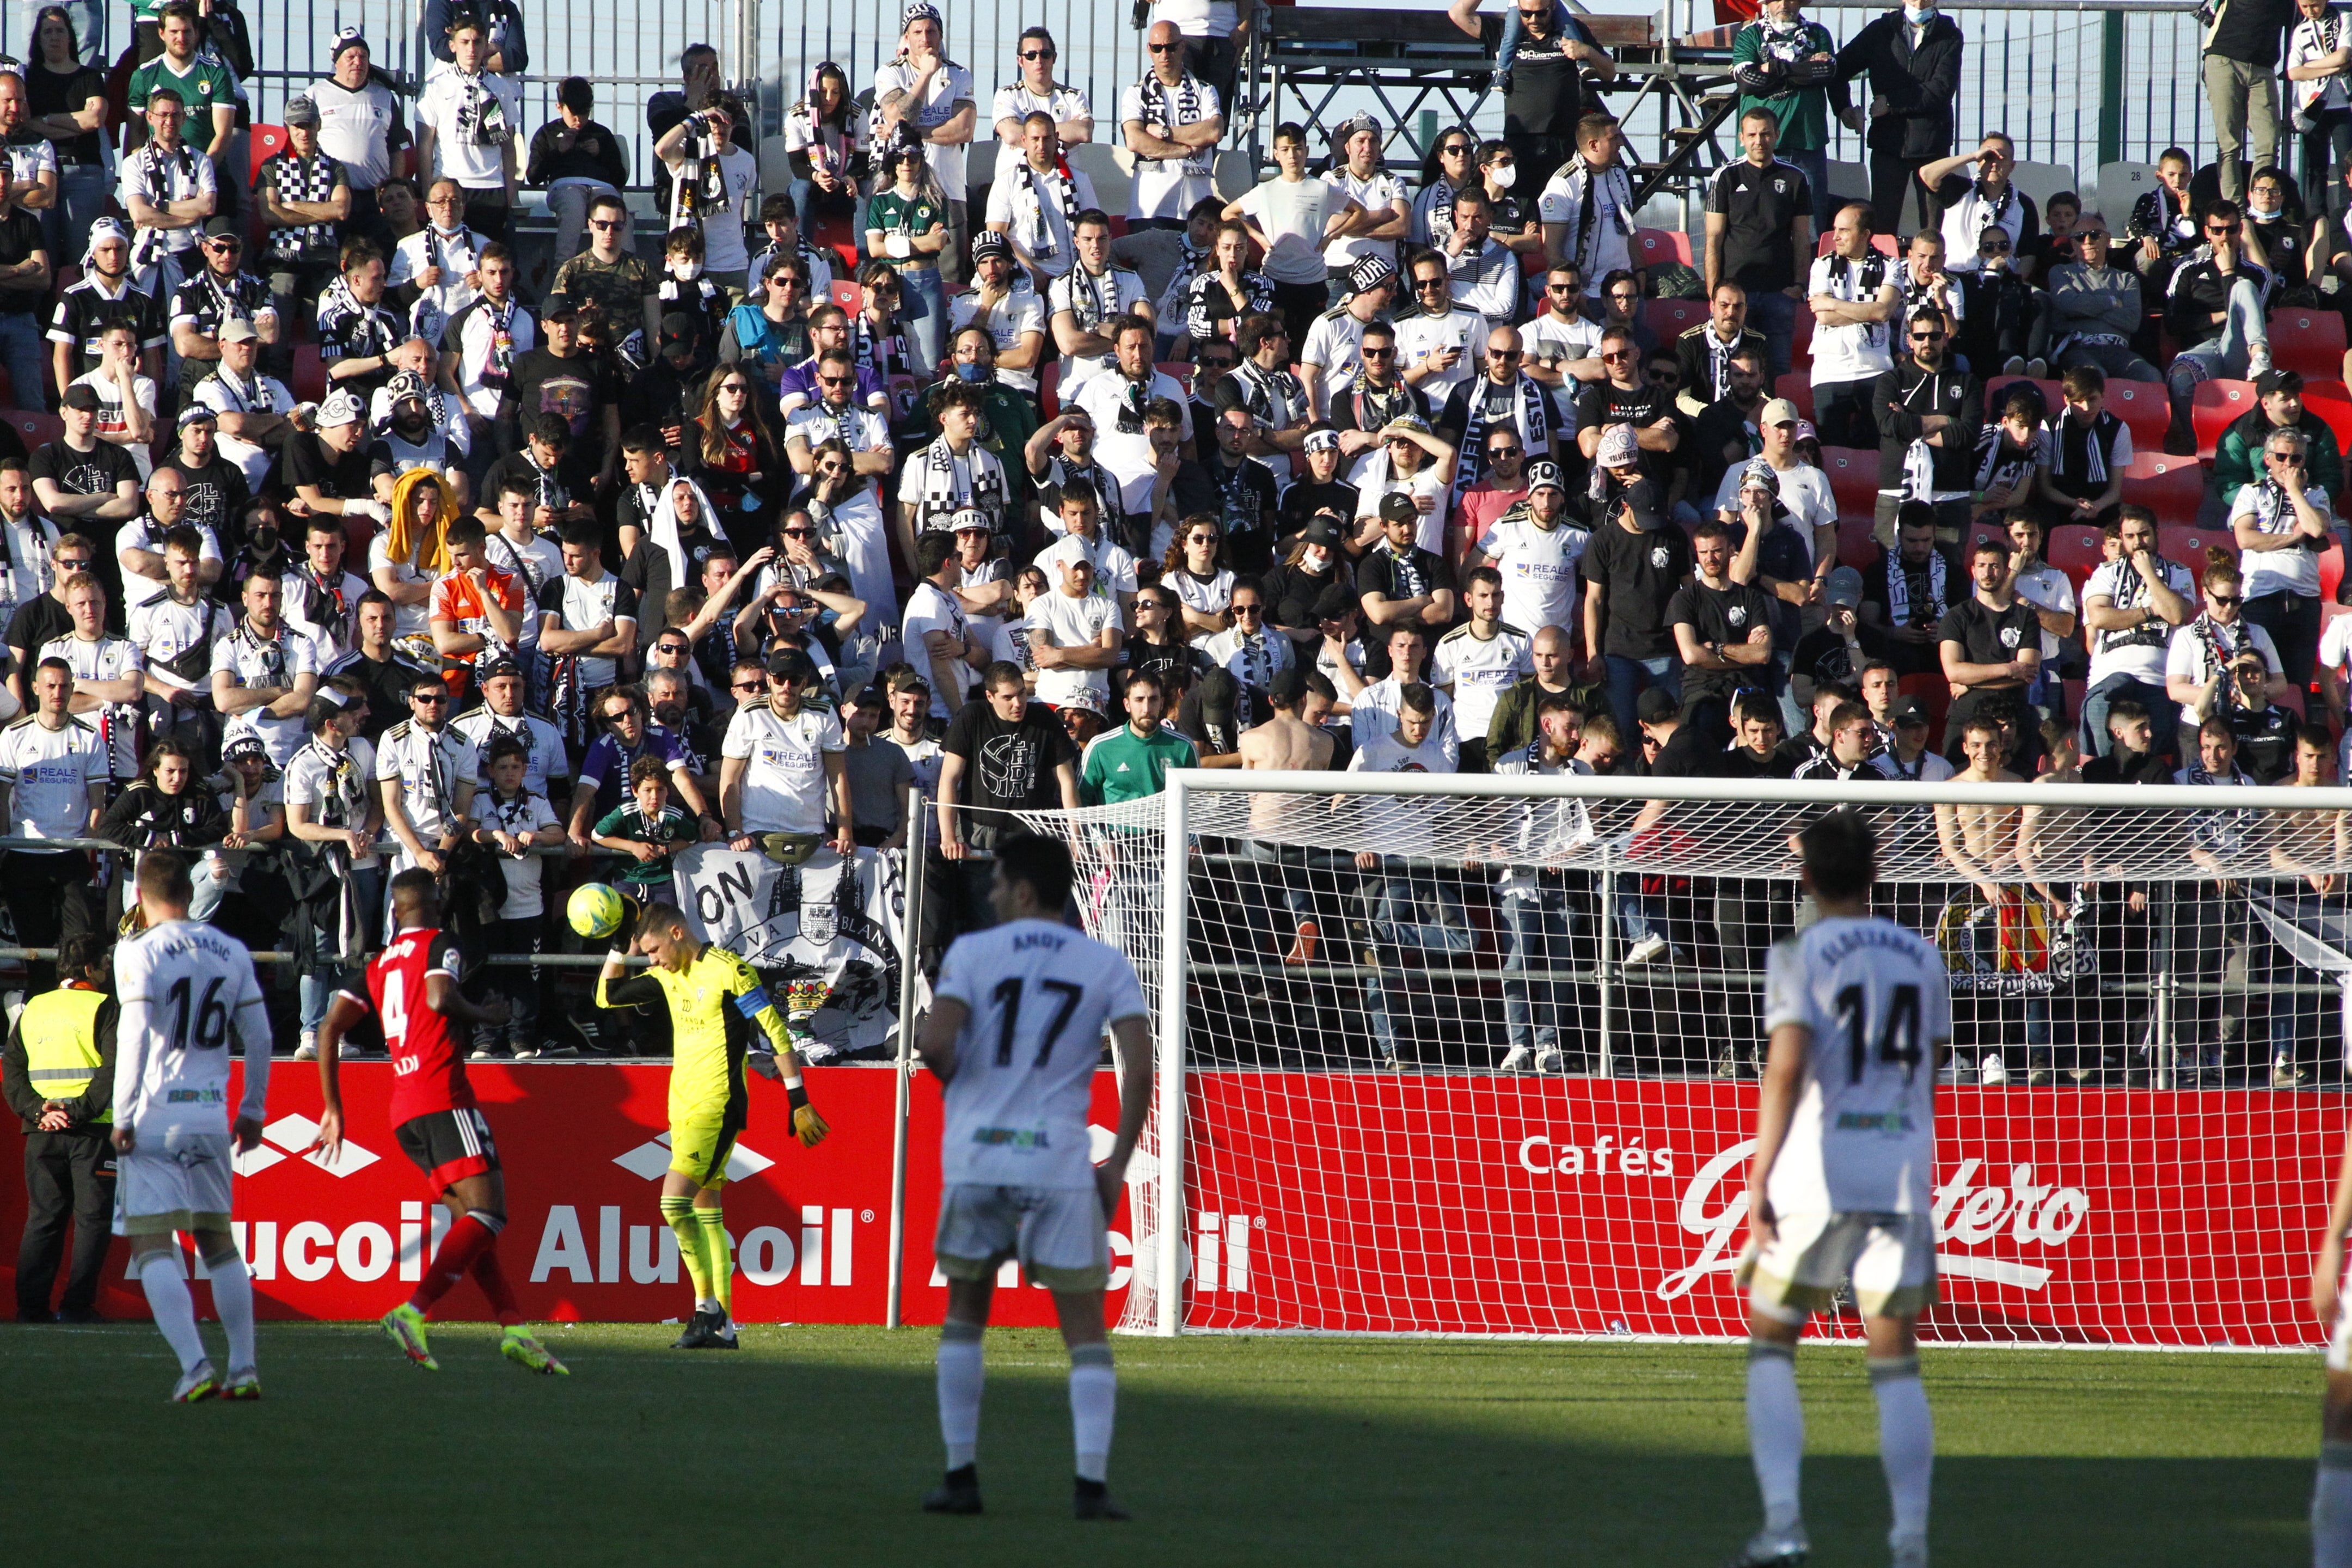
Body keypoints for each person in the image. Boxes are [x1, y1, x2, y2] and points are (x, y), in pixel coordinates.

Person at [912, 830, 1149, 1518]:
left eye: (995, 885)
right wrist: (1118, 1169)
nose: (989, 896)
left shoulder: (974, 952)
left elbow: (934, 1042)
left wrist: (967, 1088)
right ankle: (1091, 1488)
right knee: (1084, 1329)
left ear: (1022, 890)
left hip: (981, 1156)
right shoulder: (1104, 962)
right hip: (1061, 1161)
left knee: (965, 1316)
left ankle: (961, 1479)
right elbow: (1138, 1070)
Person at [1730, 810, 1944, 1568]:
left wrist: (1759, 1175)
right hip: (1903, 1164)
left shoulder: (1801, 952)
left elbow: (1786, 1068)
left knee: (1772, 1343)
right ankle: (1910, 1543)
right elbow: (1933, 1059)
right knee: (1893, 1360)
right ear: (1875, 875)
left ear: (1808, 879)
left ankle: (1784, 1526)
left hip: (1821, 1167)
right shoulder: (1922, 955)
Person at [311, 865, 566, 1371]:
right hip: (444, 1097)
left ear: (393, 910)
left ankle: (515, 1329)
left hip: (404, 1110)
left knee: (472, 1223)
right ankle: (413, 1311)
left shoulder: (380, 964)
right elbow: (438, 996)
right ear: (434, 904)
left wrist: (333, 1107)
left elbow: (327, 1029)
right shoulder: (440, 943)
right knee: (490, 1213)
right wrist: (488, 1016)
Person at [596, 898, 828, 1347]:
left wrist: (797, 1098)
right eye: (646, 954)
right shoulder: (667, 976)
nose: (653, 960)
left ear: (678, 934)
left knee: (672, 1204)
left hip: (718, 1105)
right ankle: (723, 1329)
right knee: (706, 1212)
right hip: (681, 1105)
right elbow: (607, 997)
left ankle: (707, 1309)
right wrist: (621, 945)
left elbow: (774, 1029)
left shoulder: (730, 971)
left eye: (655, 950)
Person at [107, 852, 271, 1401]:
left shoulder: (138, 952)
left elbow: (133, 1036)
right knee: (218, 1243)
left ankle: (195, 1365)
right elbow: (262, 1036)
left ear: (140, 895)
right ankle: (244, 1368)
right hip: (209, 1115)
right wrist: (253, 1109)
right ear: (187, 889)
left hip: (155, 1116)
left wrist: (123, 1115)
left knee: (152, 1246)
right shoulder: (230, 949)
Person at [3, 932, 114, 1323]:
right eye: (105, 964)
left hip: (41, 1132)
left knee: (44, 1218)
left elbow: (12, 1070)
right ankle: (77, 1305)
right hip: (92, 1130)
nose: (108, 970)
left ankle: (30, 1308)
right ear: (90, 969)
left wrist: (38, 1112)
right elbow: (112, 1071)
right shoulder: (105, 1006)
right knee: (92, 1220)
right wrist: (78, 1112)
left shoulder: (34, 1007)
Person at [1447, 0, 1615, 187]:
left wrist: (1587, 52)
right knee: (1523, 208)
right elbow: (1458, 14)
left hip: (1563, 141)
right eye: (1526, 13)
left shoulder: (1572, 31)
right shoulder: (1506, 33)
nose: (1533, 19)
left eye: (1541, 13)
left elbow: (1609, 73)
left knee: (1565, 210)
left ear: (1553, 7)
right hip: (1520, 142)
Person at [1832, 2, 1963, 235]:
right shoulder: (1880, 31)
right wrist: (1844, 108)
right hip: (1888, 145)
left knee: (1933, 230)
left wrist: (1892, 103)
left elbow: (1941, 89)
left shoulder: (1949, 34)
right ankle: (1882, 272)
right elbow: (1838, 68)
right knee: (1882, 229)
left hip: (1932, 145)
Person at [874, 3, 979, 286]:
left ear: (940, 35)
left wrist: (910, 134)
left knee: (952, 273)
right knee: (899, 269)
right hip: (903, 187)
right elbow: (898, 116)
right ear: (906, 38)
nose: (925, 38)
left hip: (949, 185)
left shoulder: (959, 75)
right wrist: (925, 75)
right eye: (917, 32)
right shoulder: (890, 73)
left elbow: (964, 129)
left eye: (931, 31)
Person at [1705, 112, 1814, 377]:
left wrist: (1799, 285)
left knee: (1776, 371)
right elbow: (1713, 239)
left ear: (1776, 136)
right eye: (1752, 135)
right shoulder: (1726, 176)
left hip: (1779, 293)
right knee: (1732, 370)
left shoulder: (1795, 178)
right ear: (1741, 138)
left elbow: (1802, 237)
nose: (1759, 141)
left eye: (1765, 134)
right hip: (1735, 296)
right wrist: (1714, 292)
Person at [1583, 483, 1691, 737]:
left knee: (1671, 730)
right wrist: (1593, 652)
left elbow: (1689, 592)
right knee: (1621, 730)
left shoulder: (1673, 533)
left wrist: (1689, 645)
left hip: (1666, 647)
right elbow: (1594, 600)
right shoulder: (1603, 540)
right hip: (1619, 651)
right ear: (1626, 507)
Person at [2165, 201, 2274, 437]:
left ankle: (2261, 358)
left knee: (2243, 288)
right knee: (2181, 380)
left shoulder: (2258, 274)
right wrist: (2225, 313)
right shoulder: (2189, 271)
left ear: (2241, 230)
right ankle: (2201, 447)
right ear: (2207, 232)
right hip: (2203, 349)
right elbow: (2174, 323)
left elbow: (2253, 318)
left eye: (2231, 229)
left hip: (2241, 348)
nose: (2225, 237)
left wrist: (2228, 274)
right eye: (2218, 230)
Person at [1731, 0, 1840, 232]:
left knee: (1811, 227)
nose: (1784, 4)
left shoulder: (1818, 34)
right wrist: (1804, 68)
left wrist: (1772, 68)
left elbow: (1825, 73)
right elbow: (1748, 82)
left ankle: (1810, 270)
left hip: (1807, 142)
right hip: (1759, 146)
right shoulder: (1750, 35)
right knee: (1756, 224)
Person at [412, 13, 520, 242]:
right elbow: (424, 145)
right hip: (452, 185)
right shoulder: (436, 86)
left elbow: (509, 146)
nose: (472, 49)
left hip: (491, 187)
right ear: (453, 45)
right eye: (465, 42)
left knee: (493, 263)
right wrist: (426, 191)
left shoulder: (499, 87)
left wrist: (509, 193)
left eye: (477, 42)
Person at [1122, 20, 1223, 235]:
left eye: (1171, 47)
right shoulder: (1136, 93)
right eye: (1158, 48)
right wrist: (1185, 150)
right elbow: (1135, 141)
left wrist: (1165, 133)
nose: (1164, 54)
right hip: (1149, 210)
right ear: (1149, 50)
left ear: (1183, 47)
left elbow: (1214, 131)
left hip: (1195, 208)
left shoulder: (1204, 90)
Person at [2044, 217, 2161, 383]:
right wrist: (2112, 302)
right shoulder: (2061, 273)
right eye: (2080, 237)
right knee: (2095, 379)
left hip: (2119, 351)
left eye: (2094, 235)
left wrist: (2084, 307)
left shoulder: (2127, 279)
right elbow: (2067, 305)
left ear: (2107, 239)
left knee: (2152, 377)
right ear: (2073, 244)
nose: (2087, 241)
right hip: (2079, 349)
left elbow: (2132, 322)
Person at [529, 76, 630, 267]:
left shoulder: (603, 134)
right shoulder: (547, 133)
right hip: (565, 186)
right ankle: (563, 270)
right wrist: (559, 151)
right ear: (560, 107)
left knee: (617, 214)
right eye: (573, 113)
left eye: (584, 113)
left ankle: (626, 269)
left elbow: (619, 179)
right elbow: (534, 176)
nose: (579, 120)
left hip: (603, 187)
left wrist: (601, 155)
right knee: (574, 209)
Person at [2204, 0, 2294, 203]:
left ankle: (2261, 207)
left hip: (2263, 66)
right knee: (2229, 143)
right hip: (2224, 58)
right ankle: (2235, 211)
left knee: (2269, 142)